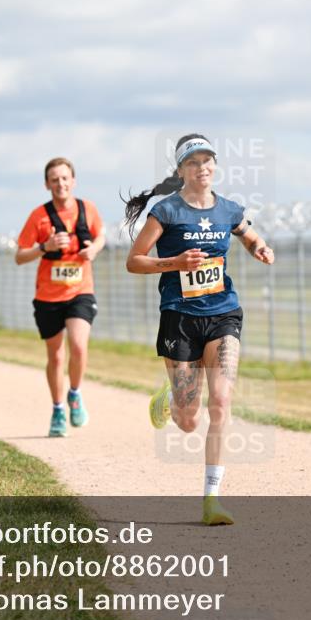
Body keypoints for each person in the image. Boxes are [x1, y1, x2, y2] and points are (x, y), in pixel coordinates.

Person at [124, 134, 274, 526]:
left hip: (224, 313)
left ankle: (212, 499)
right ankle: (170, 399)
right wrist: (174, 262)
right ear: (181, 171)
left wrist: (259, 248)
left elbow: (246, 232)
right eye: (193, 162)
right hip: (180, 317)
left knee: (221, 402)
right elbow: (135, 261)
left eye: (208, 161)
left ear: (215, 167)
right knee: (189, 419)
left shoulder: (228, 209)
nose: (202, 167)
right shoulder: (166, 212)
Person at [15, 157, 106, 437]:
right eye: (54, 179)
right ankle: (57, 409)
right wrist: (45, 246)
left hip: (80, 291)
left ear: (73, 181)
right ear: (47, 184)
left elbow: (100, 235)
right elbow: (20, 255)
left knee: (78, 346)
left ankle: (75, 394)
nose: (60, 183)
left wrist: (94, 250)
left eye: (65, 178)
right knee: (55, 356)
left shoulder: (86, 209)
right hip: (48, 296)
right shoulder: (39, 216)